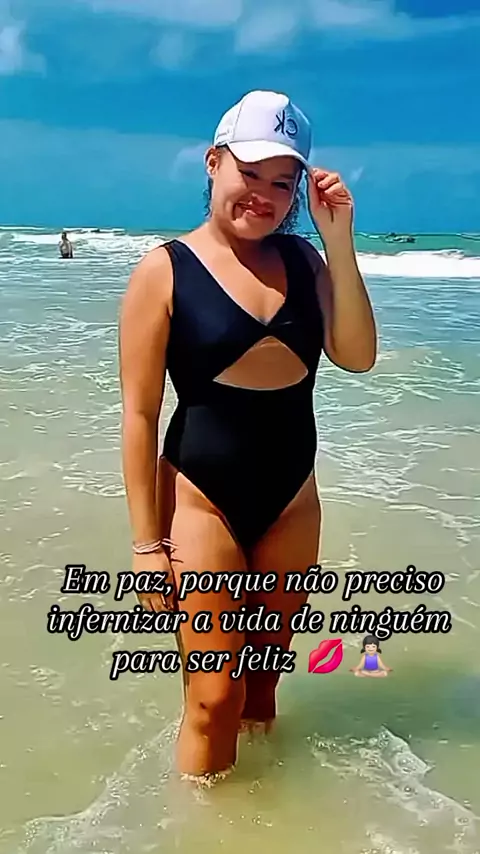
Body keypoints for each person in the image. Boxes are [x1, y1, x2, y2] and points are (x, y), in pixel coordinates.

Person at [119, 90, 377, 783]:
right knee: (213, 697)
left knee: (261, 683)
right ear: (213, 163)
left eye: (283, 182)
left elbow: (356, 355)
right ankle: (198, 823)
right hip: (200, 498)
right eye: (250, 173)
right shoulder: (164, 269)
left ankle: (260, 814)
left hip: (291, 500)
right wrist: (146, 545)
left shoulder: (304, 262)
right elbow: (139, 415)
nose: (264, 195)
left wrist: (338, 241)